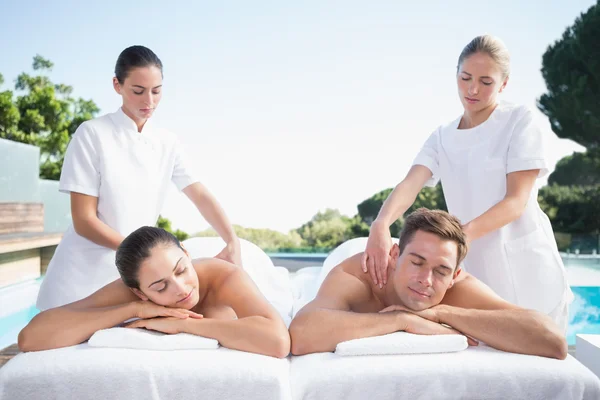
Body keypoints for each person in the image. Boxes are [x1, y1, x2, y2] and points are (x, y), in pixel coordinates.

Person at [362, 35, 571, 330]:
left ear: (504, 84)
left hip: (528, 265)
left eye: (486, 81)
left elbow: (516, 201)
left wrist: (457, 240)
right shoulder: (442, 136)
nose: (472, 89)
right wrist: (381, 224)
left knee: (538, 342)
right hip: (474, 267)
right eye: (465, 77)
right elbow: (410, 183)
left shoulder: (519, 121)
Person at [37, 45, 241, 311]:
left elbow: (199, 194)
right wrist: (142, 255)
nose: (149, 102)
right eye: (138, 91)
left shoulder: (167, 142)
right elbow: (84, 220)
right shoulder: (92, 134)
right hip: (82, 275)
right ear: (117, 85)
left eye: (156, 91)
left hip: (140, 276)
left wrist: (231, 239)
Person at [290, 209, 567, 360]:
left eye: (441, 271)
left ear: (455, 275)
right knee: (308, 282)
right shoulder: (358, 274)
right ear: (396, 255)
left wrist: (441, 313)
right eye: (417, 262)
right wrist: (401, 320)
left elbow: (553, 341)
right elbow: (302, 335)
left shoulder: (458, 286)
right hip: (353, 252)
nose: (426, 280)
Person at [20, 226, 290, 358]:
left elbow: (278, 342)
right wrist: (132, 310)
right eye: (160, 287)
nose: (181, 289)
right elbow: (31, 337)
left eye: (181, 271)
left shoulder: (226, 277)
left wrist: (183, 325)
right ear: (140, 292)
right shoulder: (134, 293)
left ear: (186, 254)